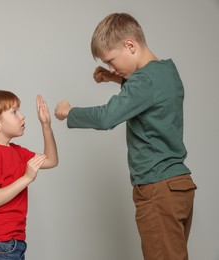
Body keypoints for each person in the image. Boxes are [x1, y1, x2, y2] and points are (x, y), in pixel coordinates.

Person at [54, 13, 196, 260]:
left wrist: (70, 112)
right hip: (179, 186)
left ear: (130, 45)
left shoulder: (143, 81)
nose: (110, 67)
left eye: (111, 60)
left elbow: (107, 117)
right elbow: (148, 97)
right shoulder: (167, 71)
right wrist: (115, 77)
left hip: (156, 188)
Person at [0, 90, 58, 259]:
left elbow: (51, 160)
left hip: (11, 242)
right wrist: (26, 178)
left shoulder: (16, 151)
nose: (22, 116)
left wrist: (46, 125)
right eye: (14, 112)